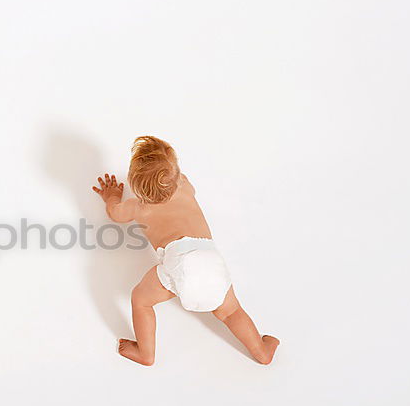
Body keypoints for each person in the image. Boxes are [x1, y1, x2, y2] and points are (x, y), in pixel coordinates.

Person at [93, 136, 279, 365]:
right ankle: (261, 351)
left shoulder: (138, 208)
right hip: (210, 259)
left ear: (136, 187)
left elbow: (115, 214)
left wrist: (111, 197)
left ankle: (145, 353)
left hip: (178, 263)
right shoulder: (185, 186)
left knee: (140, 300)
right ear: (177, 174)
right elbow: (178, 180)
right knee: (232, 312)